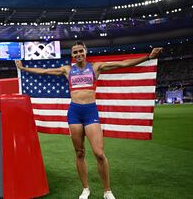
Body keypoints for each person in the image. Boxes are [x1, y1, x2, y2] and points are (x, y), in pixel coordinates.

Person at [15, 41, 163, 199]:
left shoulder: (95, 67)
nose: (78, 54)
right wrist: (23, 68)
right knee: (79, 153)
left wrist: (148, 57)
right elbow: (44, 71)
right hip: (74, 113)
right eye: (75, 52)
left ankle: (107, 191)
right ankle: (85, 189)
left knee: (99, 153)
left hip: (90, 112)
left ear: (86, 52)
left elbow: (123, 64)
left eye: (80, 51)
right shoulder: (67, 69)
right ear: (72, 55)